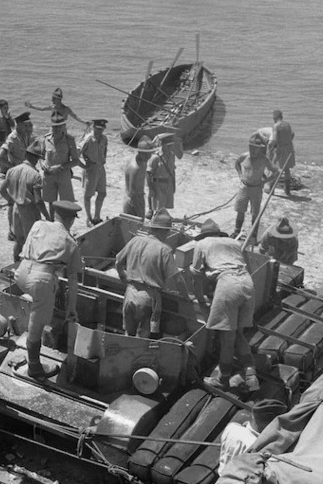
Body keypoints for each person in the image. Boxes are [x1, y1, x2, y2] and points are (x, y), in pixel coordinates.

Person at [15, 201, 84, 379]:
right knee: (36, 324)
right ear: (71, 220)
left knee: (37, 300)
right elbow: (73, 279)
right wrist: (71, 307)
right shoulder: (70, 242)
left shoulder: (38, 224)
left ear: (55, 214)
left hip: (21, 273)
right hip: (41, 280)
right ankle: (35, 368)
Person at [190, 219, 259, 392]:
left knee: (226, 337)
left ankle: (223, 379)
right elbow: (248, 268)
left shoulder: (202, 244)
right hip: (247, 283)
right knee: (239, 334)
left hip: (227, 284)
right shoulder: (234, 242)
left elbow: (196, 276)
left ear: (203, 234)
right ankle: (251, 376)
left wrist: (200, 299)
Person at [115, 208, 193, 339]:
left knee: (128, 335)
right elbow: (178, 280)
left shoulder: (136, 240)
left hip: (130, 293)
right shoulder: (164, 250)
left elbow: (118, 262)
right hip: (147, 297)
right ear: (165, 231)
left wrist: (123, 276)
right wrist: (187, 297)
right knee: (142, 337)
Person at [0, 142, 50, 262]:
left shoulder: (12, 170)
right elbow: (38, 200)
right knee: (31, 241)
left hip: (16, 209)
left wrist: (11, 200)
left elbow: (2, 190)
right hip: (29, 211)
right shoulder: (35, 175)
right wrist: (47, 216)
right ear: (37, 159)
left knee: (19, 240)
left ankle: (15, 263)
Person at [216, 399, 288, 474]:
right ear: (273, 424)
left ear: (253, 415)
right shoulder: (260, 449)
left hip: (221, 479)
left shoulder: (231, 428)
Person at [232, 135, 279, 240]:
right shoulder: (244, 156)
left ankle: (253, 235)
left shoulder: (264, 160)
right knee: (240, 210)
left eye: (255, 147)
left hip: (256, 188)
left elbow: (276, 171)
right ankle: (236, 231)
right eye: (251, 147)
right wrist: (240, 175)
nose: (252, 149)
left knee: (255, 213)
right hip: (244, 187)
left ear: (260, 149)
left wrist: (265, 181)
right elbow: (237, 163)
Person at [0, 111, 32, 240]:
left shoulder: (23, 136)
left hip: (24, 173)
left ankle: (18, 228)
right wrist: (13, 168)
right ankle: (11, 231)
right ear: (19, 125)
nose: (27, 127)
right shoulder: (12, 138)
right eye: (25, 125)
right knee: (12, 204)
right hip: (16, 175)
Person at [40, 111, 81, 219]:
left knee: (66, 204)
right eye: (54, 127)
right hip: (49, 176)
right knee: (51, 202)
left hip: (63, 175)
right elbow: (40, 156)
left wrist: (61, 167)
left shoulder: (69, 140)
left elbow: (76, 161)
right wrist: (42, 164)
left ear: (63, 126)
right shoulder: (46, 139)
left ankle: (65, 225)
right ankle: (52, 222)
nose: (57, 129)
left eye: (59, 127)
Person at [146, 132, 184, 217]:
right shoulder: (155, 157)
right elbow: (148, 174)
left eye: (171, 146)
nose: (170, 148)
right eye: (168, 146)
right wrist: (151, 188)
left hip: (168, 183)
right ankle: (152, 212)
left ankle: (160, 214)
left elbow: (172, 171)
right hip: (158, 184)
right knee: (158, 207)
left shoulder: (171, 156)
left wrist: (174, 185)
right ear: (162, 145)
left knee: (164, 204)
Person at [79, 119, 109, 226]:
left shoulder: (104, 139)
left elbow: (104, 151)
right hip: (91, 169)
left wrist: (102, 161)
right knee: (88, 195)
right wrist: (84, 165)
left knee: (102, 193)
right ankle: (88, 218)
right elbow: (77, 153)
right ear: (93, 128)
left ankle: (97, 217)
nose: (100, 131)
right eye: (98, 129)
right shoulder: (88, 139)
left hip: (101, 168)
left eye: (102, 129)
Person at [123, 136, 156, 219]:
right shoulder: (135, 168)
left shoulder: (142, 161)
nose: (149, 156)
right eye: (148, 154)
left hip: (139, 197)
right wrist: (139, 212)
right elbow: (132, 193)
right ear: (141, 153)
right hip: (133, 202)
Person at [266, 109, 295, 196]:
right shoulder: (287, 124)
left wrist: (269, 144)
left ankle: (271, 190)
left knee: (275, 168)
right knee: (287, 169)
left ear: (274, 118)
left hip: (281, 148)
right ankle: (287, 190)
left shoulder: (276, 126)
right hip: (289, 147)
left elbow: (274, 140)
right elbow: (292, 135)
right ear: (281, 117)